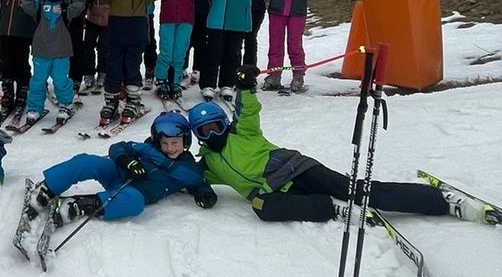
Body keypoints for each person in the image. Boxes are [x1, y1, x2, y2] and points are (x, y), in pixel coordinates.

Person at [188, 71, 493, 222]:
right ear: (199, 136)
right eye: (205, 131)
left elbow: (247, 110)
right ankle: (331, 208)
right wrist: (156, 151)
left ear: (224, 124)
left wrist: (244, 87)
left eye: (216, 126)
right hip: (279, 194)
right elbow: (184, 174)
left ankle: (441, 200)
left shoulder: (243, 133)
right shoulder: (209, 164)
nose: (213, 134)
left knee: (359, 191)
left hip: (299, 171)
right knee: (262, 209)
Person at [24, 110, 215, 225]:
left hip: (135, 192)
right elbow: (118, 147)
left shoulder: (187, 166)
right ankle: (47, 188)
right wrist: (128, 161)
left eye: (175, 143)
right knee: (88, 161)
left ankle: (79, 206)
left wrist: (206, 193)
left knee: (136, 203)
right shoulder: (148, 148)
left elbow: (197, 180)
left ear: (185, 141)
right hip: (118, 175)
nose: (169, 148)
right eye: (165, 143)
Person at [83, 0, 172, 127]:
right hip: (116, 33)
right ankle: (111, 100)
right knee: (113, 67)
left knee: (132, 66)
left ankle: (133, 99)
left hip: (136, 34)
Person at [199, 0, 271, 101]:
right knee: (213, 53)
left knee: (233, 54)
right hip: (217, 22)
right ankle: (208, 84)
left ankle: (227, 83)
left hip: (238, 22)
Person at [23, 0, 85, 127]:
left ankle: (65, 104)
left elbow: (80, 4)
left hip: (61, 50)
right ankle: (35, 107)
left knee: (60, 80)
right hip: (41, 50)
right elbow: (25, 4)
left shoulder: (66, 6)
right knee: (38, 81)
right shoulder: (39, 3)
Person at [153, 0, 200, 101]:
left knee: (180, 53)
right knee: (166, 52)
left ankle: (175, 82)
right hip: (167, 20)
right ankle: (161, 80)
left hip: (186, 20)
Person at [0, 0, 38, 119]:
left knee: (21, 64)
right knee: (5, 63)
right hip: (4, 31)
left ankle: (22, 92)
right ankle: (8, 94)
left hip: (23, 32)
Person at [74, 0, 110, 93]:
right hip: (92, 16)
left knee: (104, 47)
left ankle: (103, 72)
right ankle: (88, 73)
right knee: (87, 46)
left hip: (108, 15)